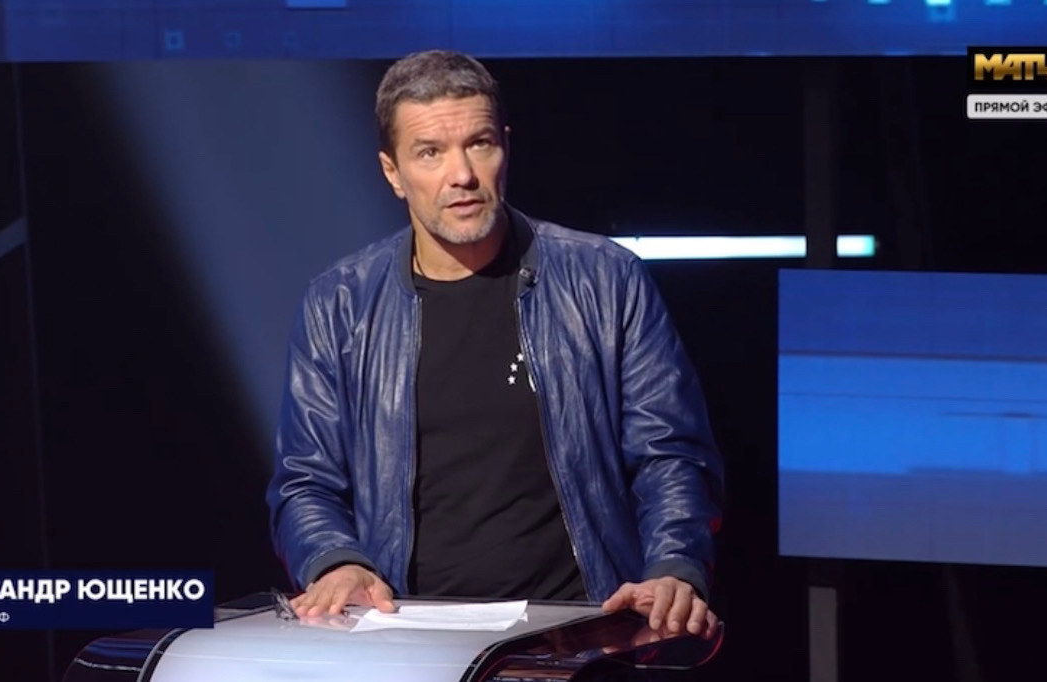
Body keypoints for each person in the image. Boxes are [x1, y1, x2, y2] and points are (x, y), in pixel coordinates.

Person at [267, 49, 724, 639]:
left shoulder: (606, 279)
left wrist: (673, 567)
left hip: (581, 629)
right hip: (408, 633)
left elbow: (671, 455)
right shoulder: (339, 303)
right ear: (392, 172)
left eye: (478, 144)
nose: (461, 175)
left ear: (505, 146)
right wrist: (336, 562)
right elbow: (305, 480)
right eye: (430, 153)